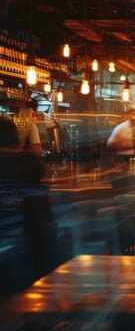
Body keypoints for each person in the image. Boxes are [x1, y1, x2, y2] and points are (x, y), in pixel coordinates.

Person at [0, 116, 56, 287]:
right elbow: (42, 207)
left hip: (17, 238)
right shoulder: (30, 161)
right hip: (29, 239)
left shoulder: (22, 162)